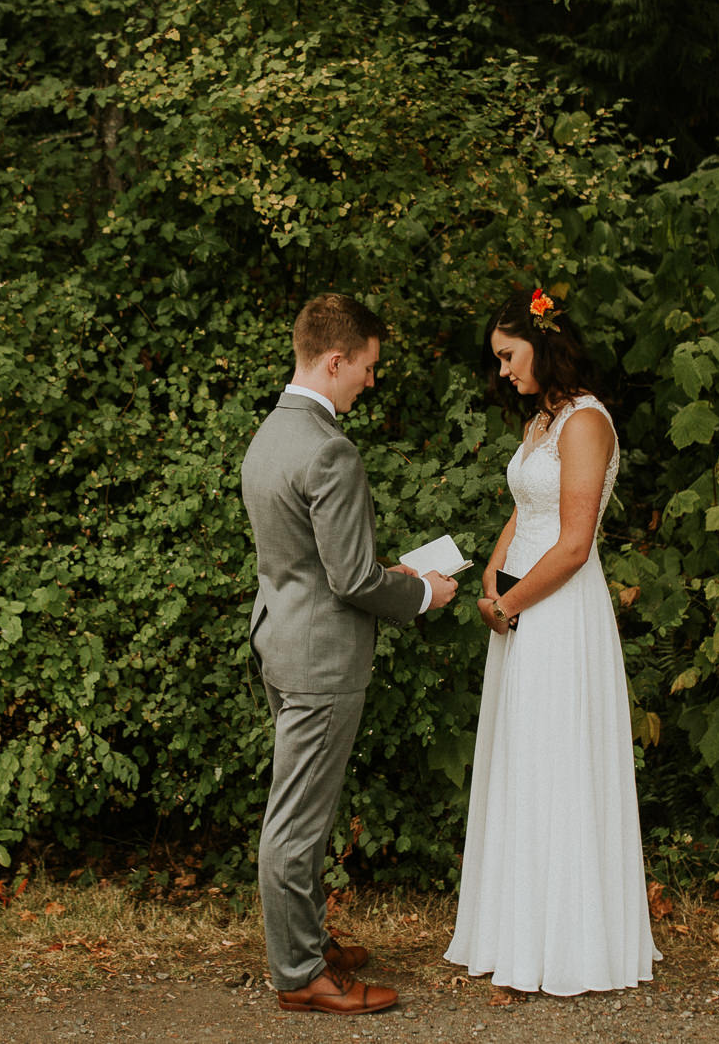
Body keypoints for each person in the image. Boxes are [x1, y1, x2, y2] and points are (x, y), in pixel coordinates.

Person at [240, 293, 460, 1015]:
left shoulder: (271, 433)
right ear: (335, 360)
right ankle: (301, 973)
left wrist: (380, 570)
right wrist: (423, 593)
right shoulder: (329, 448)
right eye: (366, 366)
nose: (370, 379)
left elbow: (309, 561)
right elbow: (353, 579)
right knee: (297, 821)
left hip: (280, 637)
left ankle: (306, 941)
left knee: (302, 808)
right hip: (322, 659)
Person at [443, 287, 659, 997]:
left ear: (544, 339)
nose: (503, 370)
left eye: (508, 354)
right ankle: (517, 937)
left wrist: (509, 600)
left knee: (556, 763)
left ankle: (567, 946)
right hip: (519, 609)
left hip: (558, 612)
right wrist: (491, 589)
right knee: (521, 762)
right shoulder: (544, 419)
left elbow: (572, 545)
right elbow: (520, 513)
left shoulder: (585, 421)